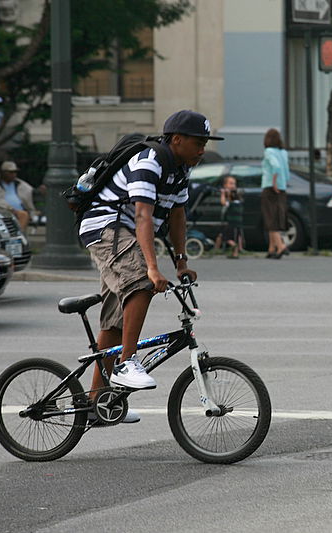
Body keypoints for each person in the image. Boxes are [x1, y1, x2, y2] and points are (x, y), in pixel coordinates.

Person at [78, 109, 220, 423]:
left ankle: (96, 405)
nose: (203, 149)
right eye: (199, 142)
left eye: (206, 143)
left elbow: (177, 217)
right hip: (106, 226)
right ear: (177, 139)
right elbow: (142, 216)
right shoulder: (149, 161)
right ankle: (128, 363)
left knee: (116, 322)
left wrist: (181, 262)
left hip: (126, 233)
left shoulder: (181, 169)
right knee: (141, 282)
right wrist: (152, 268)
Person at [261, 128, 290, 259]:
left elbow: (276, 166)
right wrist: (283, 183)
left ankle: (280, 246)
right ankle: (271, 248)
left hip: (270, 187)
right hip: (282, 187)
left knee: (270, 217)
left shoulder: (268, 152)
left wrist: (274, 182)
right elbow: (286, 170)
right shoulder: (284, 152)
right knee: (277, 216)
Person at [0, 161, 38, 230]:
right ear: (3, 173)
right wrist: (10, 208)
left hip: (20, 211)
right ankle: (19, 235)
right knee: (23, 215)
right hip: (4, 212)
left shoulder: (19, 183)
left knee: (24, 215)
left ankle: (19, 234)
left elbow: (31, 191)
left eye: (15, 172)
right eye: (10, 172)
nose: (13, 174)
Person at [218, 175, 243, 258]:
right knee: (236, 237)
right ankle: (235, 253)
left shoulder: (232, 196)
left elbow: (223, 202)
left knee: (225, 236)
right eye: (231, 183)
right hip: (238, 223)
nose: (233, 185)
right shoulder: (237, 196)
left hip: (232, 222)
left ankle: (234, 245)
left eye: (234, 184)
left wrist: (223, 194)